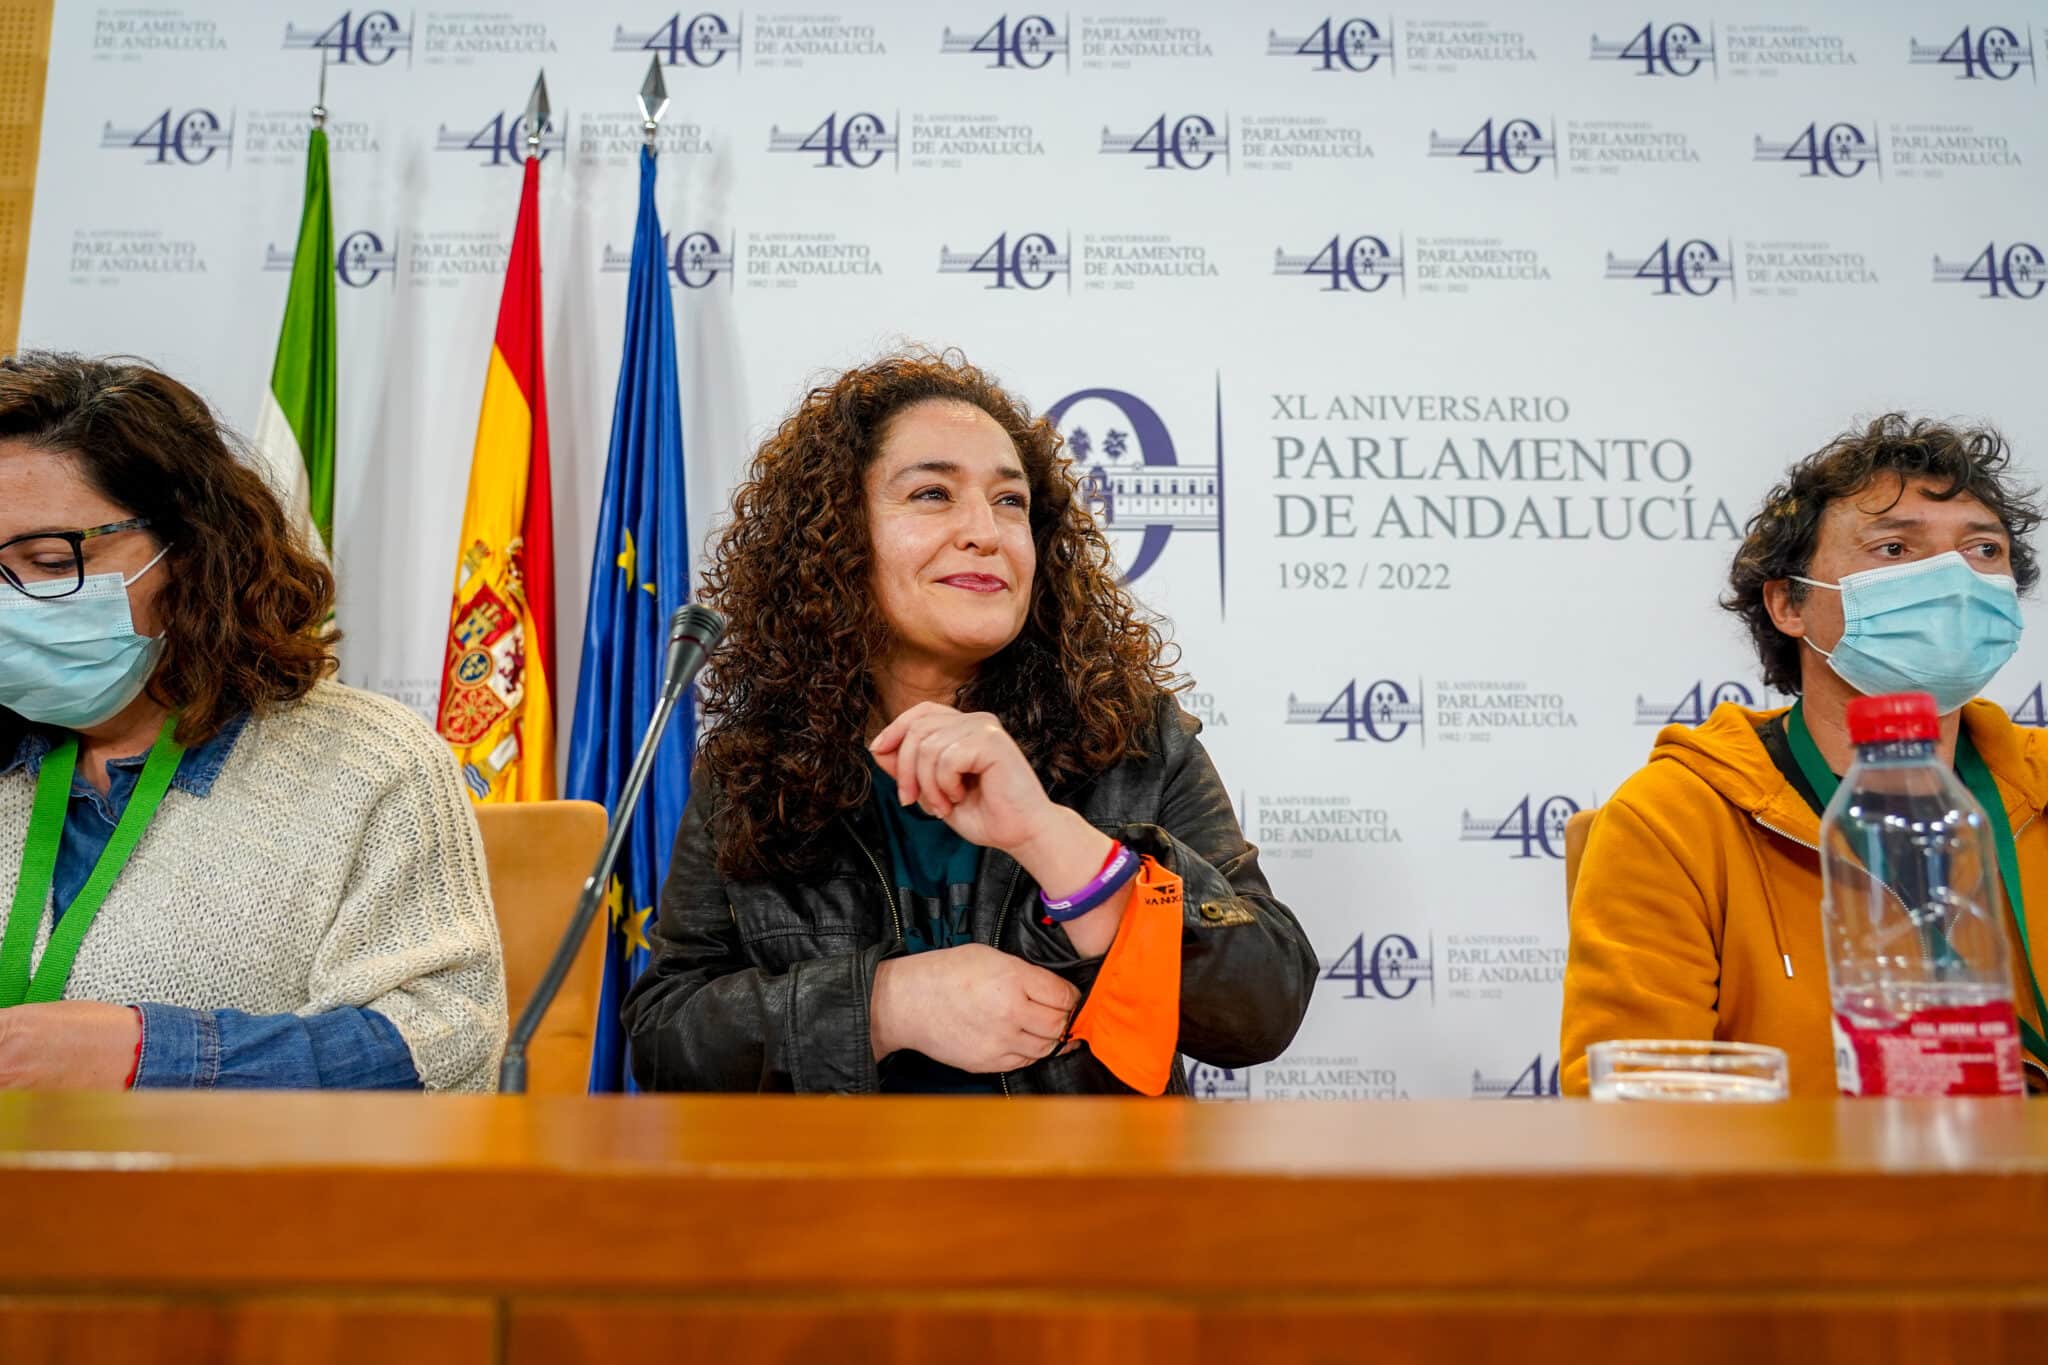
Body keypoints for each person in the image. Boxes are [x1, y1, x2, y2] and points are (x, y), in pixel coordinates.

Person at [624, 350, 1317, 1093]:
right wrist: (886, 1004)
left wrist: (1055, 841)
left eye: (1010, 502)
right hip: (844, 1205)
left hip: (1089, 1202)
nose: (985, 532)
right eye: (932, 494)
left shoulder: (1137, 738)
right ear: (836, 539)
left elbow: (1264, 1007)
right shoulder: (753, 764)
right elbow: (667, 1038)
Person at [0, 352, 506, 1090]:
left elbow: (447, 1040)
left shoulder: (370, 763)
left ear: (189, 550)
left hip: (226, 1201)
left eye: (50, 559)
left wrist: (157, 1055)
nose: (13, 602)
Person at [1561, 415, 2048, 1096]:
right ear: (1790, 602)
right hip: (1804, 1196)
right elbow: (1641, 1108)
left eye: (1984, 550)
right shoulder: (1674, 817)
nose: (1954, 579)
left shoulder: (2037, 784)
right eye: (1894, 548)